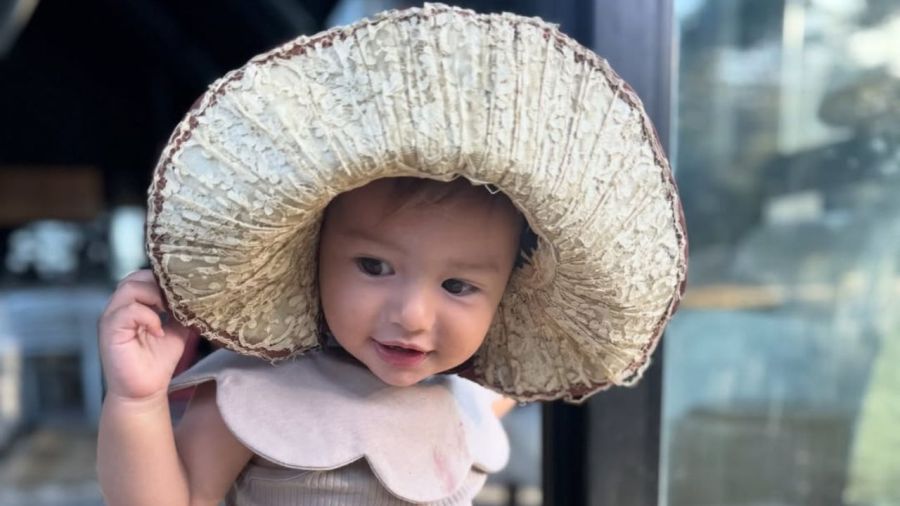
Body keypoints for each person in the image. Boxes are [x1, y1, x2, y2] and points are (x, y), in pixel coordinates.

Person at [96, 3, 688, 505]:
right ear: (312, 257)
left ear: (506, 295)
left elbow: (519, 377)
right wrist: (137, 400)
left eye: (458, 287)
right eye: (374, 267)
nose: (412, 314)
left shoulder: (468, 404)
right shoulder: (252, 398)